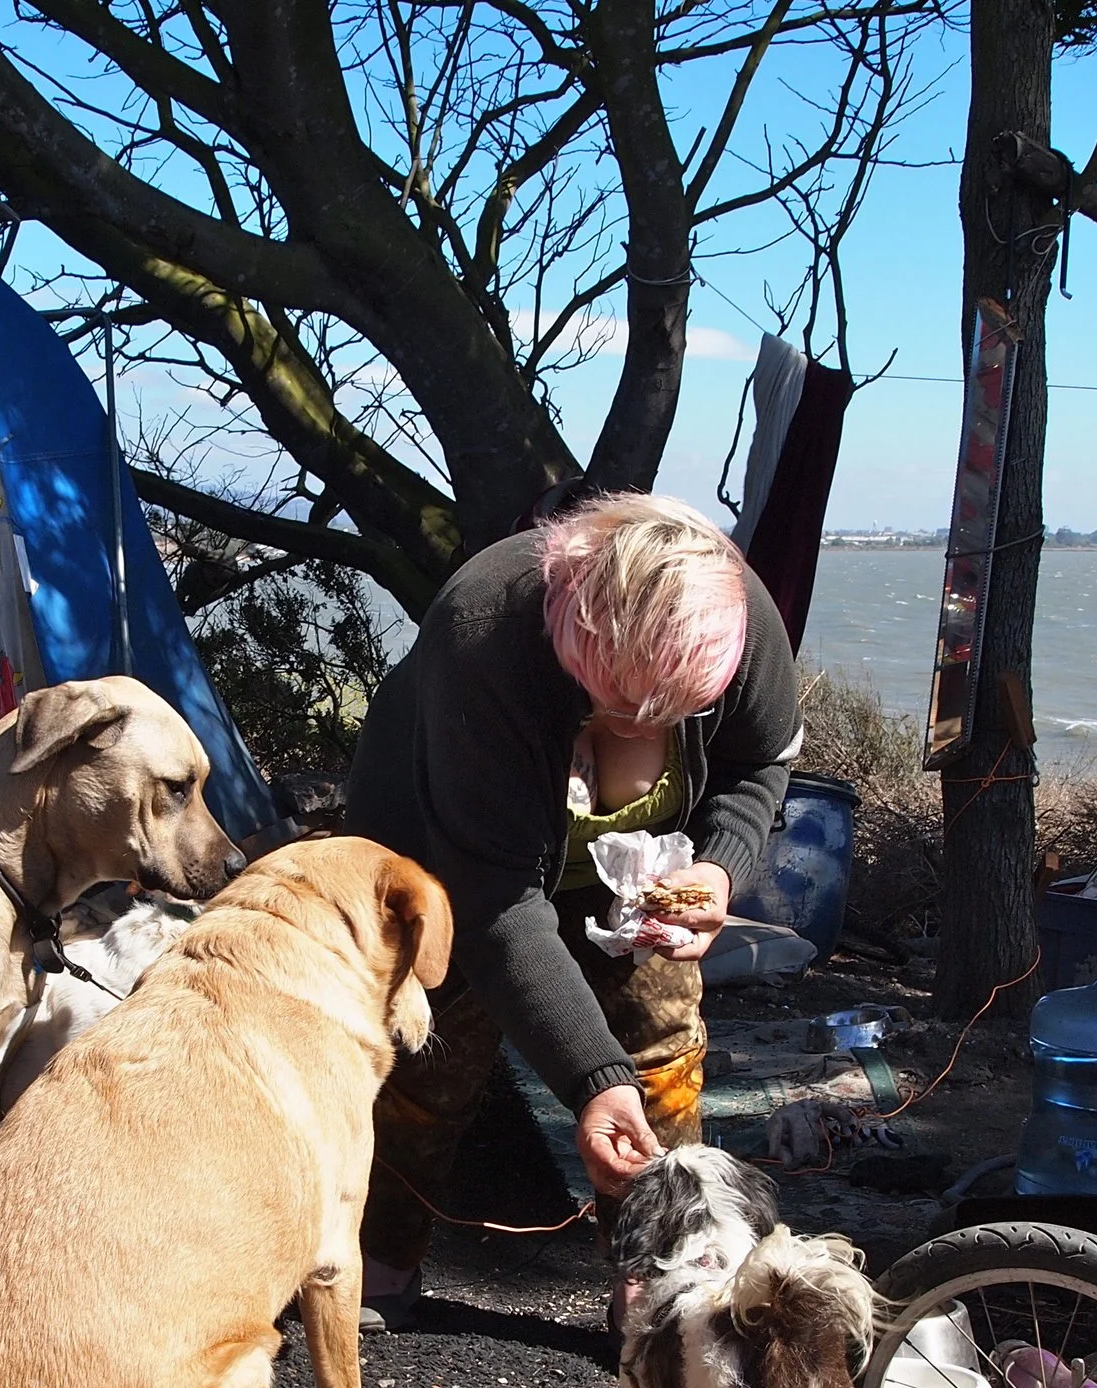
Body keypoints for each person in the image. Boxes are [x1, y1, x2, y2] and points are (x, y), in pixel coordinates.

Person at [343, 488, 803, 1326]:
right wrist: (593, 1080)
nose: (643, 728)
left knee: (663, 1058)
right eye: (619, 706)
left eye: (671, 715)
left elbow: (758, 763)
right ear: (574, 633)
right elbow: (497, 907)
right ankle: (380, 1249)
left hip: (621, 871)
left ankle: (655, 1273)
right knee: (426, 1054)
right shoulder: (485, 632)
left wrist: (720, 872)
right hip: (452, 853)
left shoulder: (742, 620)